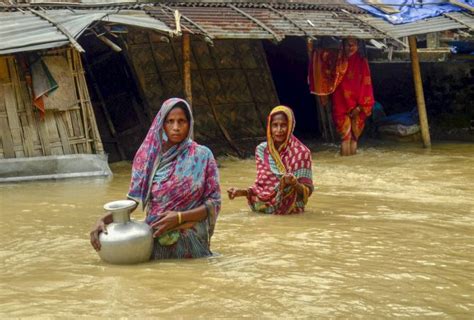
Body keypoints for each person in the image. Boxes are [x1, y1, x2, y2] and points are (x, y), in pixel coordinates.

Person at [90, 98, 221, 259]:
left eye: (182, 121)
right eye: (170, 121)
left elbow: (213, 203)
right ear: (161, 124)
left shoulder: (202, 156)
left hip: (194, 245)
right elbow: (132, 203)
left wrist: (179, 217)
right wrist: (102, 220)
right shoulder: (146, 157)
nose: (176, 127)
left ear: (190, 124)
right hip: (156, 241)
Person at [227, 105, 313, 215]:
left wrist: (294, 183)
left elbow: (307, 192)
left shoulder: (302, 153)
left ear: (291, 126)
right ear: (269, 127)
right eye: (275, 125)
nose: (279, 130)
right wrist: (241, 192)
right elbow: (261, 187)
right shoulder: (262, 150)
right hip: (263, 210)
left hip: (292, 213)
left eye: (283, 125)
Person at [332, 38, 375, 156]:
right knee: (346, 137)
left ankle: (352, 165)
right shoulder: (338, 62)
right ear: (343, 46)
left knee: (354, 137)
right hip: (341, 103)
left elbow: (366, 84)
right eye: (347, 45)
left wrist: (360, 107)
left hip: (359, 104)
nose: (350, 48)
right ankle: (346, 167)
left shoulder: (362, 62)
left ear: (357, 46)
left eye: (353, 45)